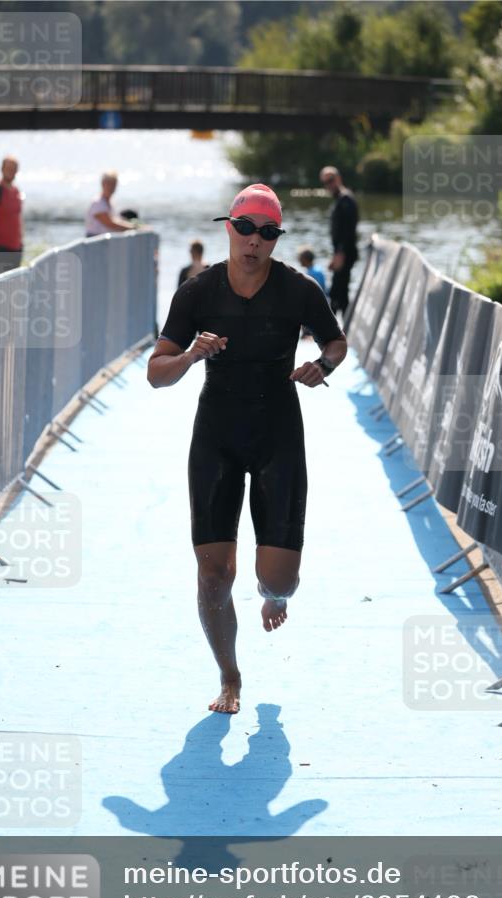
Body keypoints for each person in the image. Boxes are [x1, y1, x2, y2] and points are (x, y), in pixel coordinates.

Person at [147, 183, 347, 715]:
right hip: (217, 435)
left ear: (277, 239)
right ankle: (230, 676)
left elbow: (336, 340)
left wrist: (322, 365)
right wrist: (190, 356)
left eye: (267, 232)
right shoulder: (198, 292)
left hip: (278, 434)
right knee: (214, 575)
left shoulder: (299, 290)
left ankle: (274, 595)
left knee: (279, 578)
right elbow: (155, 373)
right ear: (229, 229)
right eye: (244, 228)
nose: (254, 240)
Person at [319, 165, 359, 317]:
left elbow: (348, 230)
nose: (328, 185)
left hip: (346, 254)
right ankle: (344, 325)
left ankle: (333, 326)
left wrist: (340, 254)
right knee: (341, 293)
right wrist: (336, 254)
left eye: (331, 180)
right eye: (325, 182)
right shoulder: (340, 200)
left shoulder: (346, 199)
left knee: (337, 292)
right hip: (341, 253)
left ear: (338, 178)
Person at [85, 171, 138, 237]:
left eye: (113, 184)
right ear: (103, 184)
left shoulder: (110, 202)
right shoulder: (98, 203)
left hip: (106, 239)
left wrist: (135, 225)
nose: (111, 187)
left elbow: (115, 220)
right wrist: (134, 227)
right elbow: (111, 224)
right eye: (109, 184)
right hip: (94, 239)